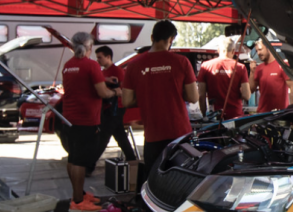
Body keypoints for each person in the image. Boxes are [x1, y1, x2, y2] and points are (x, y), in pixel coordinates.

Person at [121, 20, 199, 174]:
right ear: (171, 39)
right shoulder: (181, 62)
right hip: (179, 133)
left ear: (152, 37)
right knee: (179, 177)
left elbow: (127, 100)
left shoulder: (134, 65)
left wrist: (146, 95)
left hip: (153, 134)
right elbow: (193, 97)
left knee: (154, 178)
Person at [61, 32, 120, 212]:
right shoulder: (91, 65)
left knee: (73, 158)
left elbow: (82, 80)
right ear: (90, 47)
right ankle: (78, 202)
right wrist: (116, 92)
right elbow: (102, 93)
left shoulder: (68, 65)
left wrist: (104, 79)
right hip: (86, 119)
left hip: (69, 118)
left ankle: (78, 194)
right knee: (80, 161)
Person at [93, 45, 138, 161]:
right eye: (97, 57)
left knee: (104, 136)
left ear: (108, 57)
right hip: (107, 108)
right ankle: (132, 160)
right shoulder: (103, 72)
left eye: (100, 57)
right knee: (120, 136)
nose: (98, 60)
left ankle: (90, 164)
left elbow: (125, 88)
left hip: (116, 107)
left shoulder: (117, 71)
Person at [197, 38, 251, 120]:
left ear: (218, 50)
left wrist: (204, 115)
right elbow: (246, 96)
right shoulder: (241, 67)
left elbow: (201, 95)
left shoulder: (205, 66)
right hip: (235, 115)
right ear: (233, 51)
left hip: (214, 116)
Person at [250, 40, 293, 113]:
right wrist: (252, 72)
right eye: (257, 51)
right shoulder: (258, 69)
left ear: (268, 48)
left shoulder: (282, 65)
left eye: (260, 49)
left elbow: (292, 88)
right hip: (262, 113)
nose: (258, 53)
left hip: (280, 113)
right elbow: (251, 90)